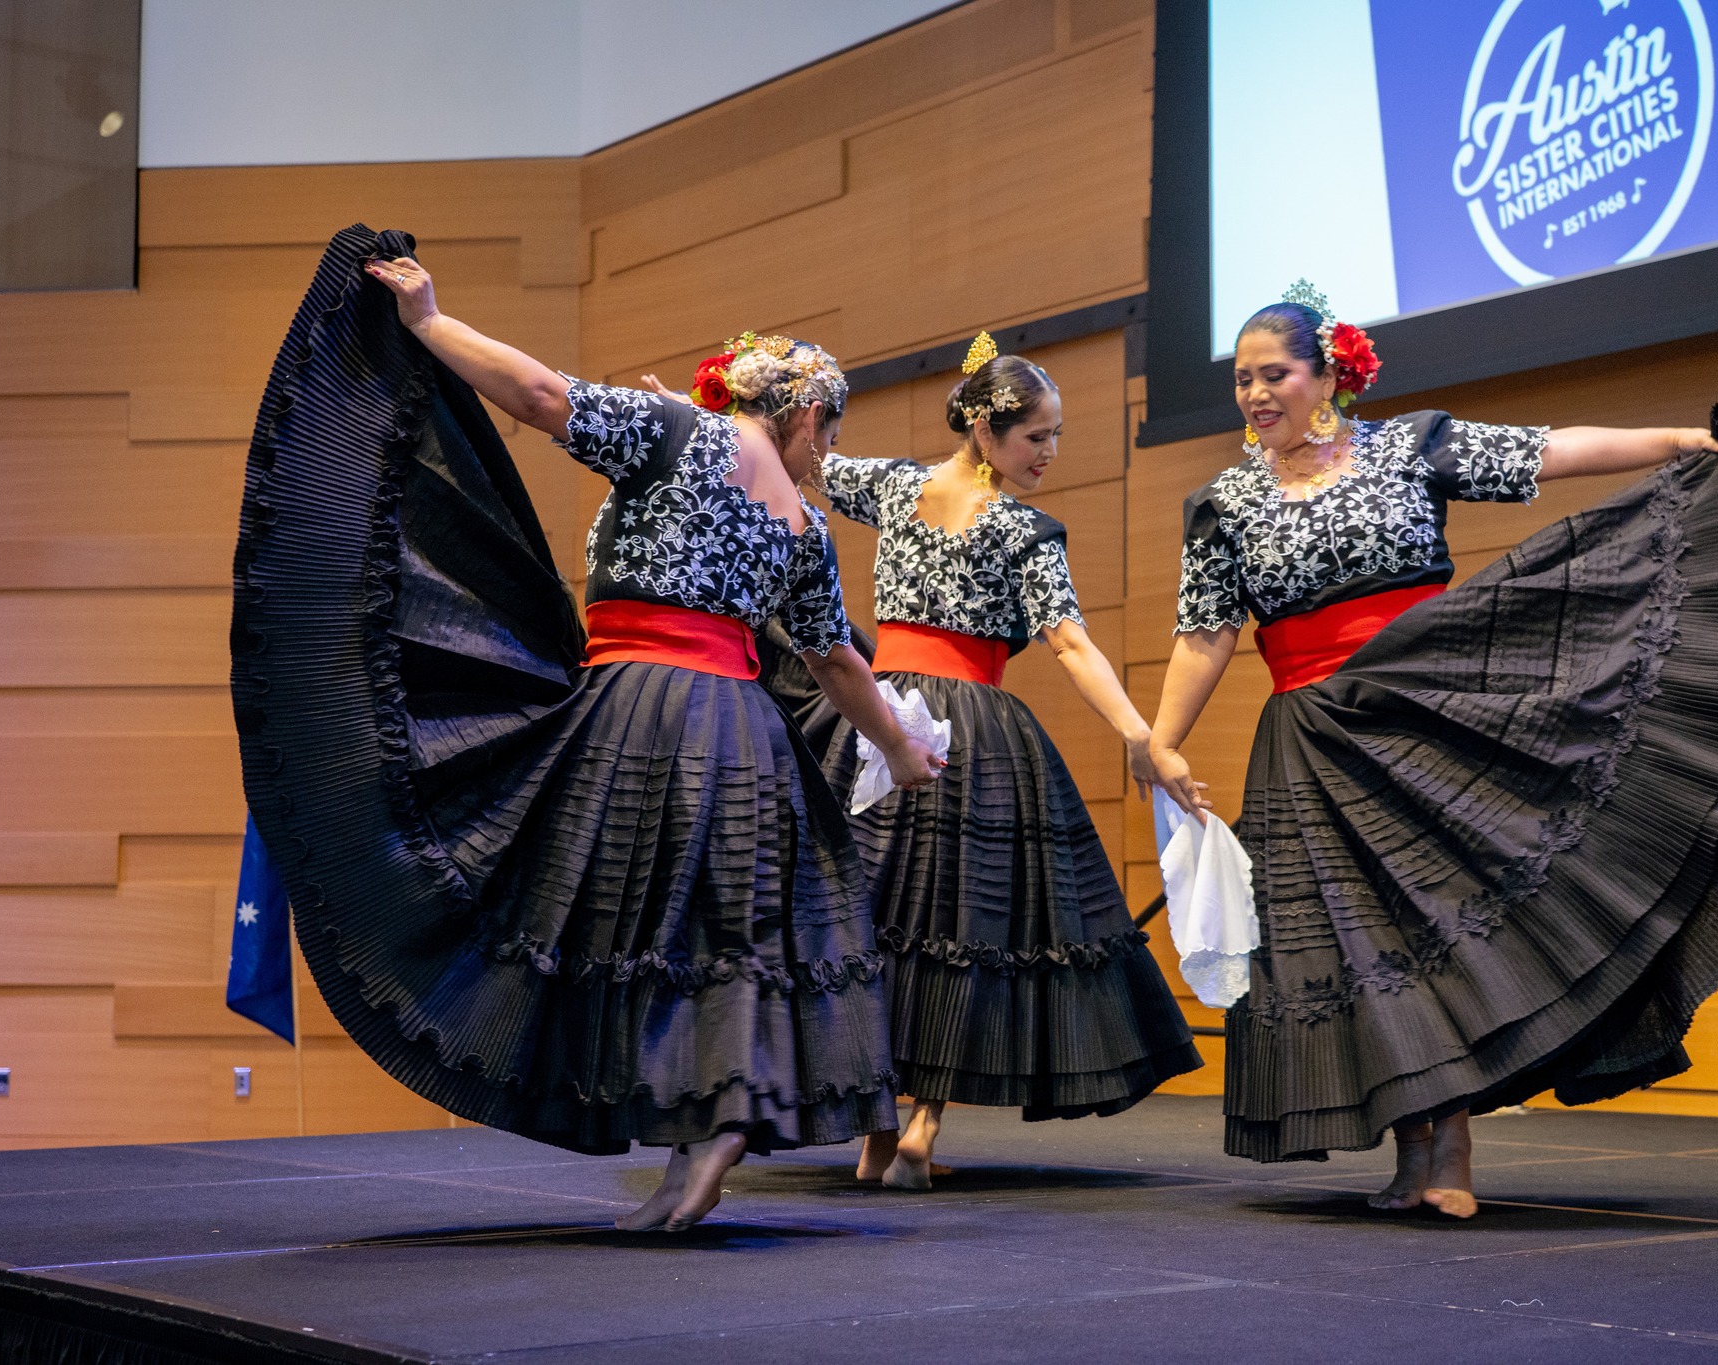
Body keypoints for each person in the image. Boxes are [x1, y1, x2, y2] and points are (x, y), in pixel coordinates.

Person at [233, 225, 941, 1235]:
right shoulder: (803, 525)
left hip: (641, 706)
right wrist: (904, 749)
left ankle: (683, 1131)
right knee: (723, 928)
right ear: (803, 412)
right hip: (740, 728)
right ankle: (712, 1127)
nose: (827, 454)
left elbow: (539, 396)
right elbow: (836, 662)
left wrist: (429, 322)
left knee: (608, 912)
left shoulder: (677, 432)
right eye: (828, 432)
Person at [1139, 282, 1718, 1218]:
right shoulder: (1222, 502)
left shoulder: (1406, 447)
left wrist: (1681, 443)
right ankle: (1413, 1147)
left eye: (1274, 374)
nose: (1254, 394)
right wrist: (1161, 741)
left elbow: (1547, 451)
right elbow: (1205, 635)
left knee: (1445, 916)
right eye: (1241, 380)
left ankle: (1455, 1144)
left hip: (1425, 706)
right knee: (1357, 943)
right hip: (1310, 737)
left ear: (1328, 377)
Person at [810, 333, 1203, 1189]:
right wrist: (1139, 733)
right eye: (1037, 436)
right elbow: (1069, 643)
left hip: (883, 716)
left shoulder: (894, 485)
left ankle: (883, 1134)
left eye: (1057, 435)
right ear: (986, 432)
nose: (1051, 454)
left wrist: (709, 418)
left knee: (877, 916)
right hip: (973, 730)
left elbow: (803, 456)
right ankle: (916, 1127)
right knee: (961, 919)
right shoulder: (1025, 531)